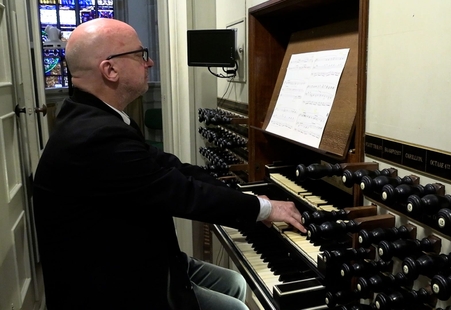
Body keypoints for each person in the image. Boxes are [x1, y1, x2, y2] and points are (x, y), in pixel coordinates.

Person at [33, 18, 306, 310]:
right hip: (109, 287)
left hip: (133, 256)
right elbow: (182, 193)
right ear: (110, 69)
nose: (149, 63)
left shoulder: (95, 116)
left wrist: (245, 197)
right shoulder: (95, 136)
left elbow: (170, 167)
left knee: (234, 282)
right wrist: (263, 208)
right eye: (140, 55)